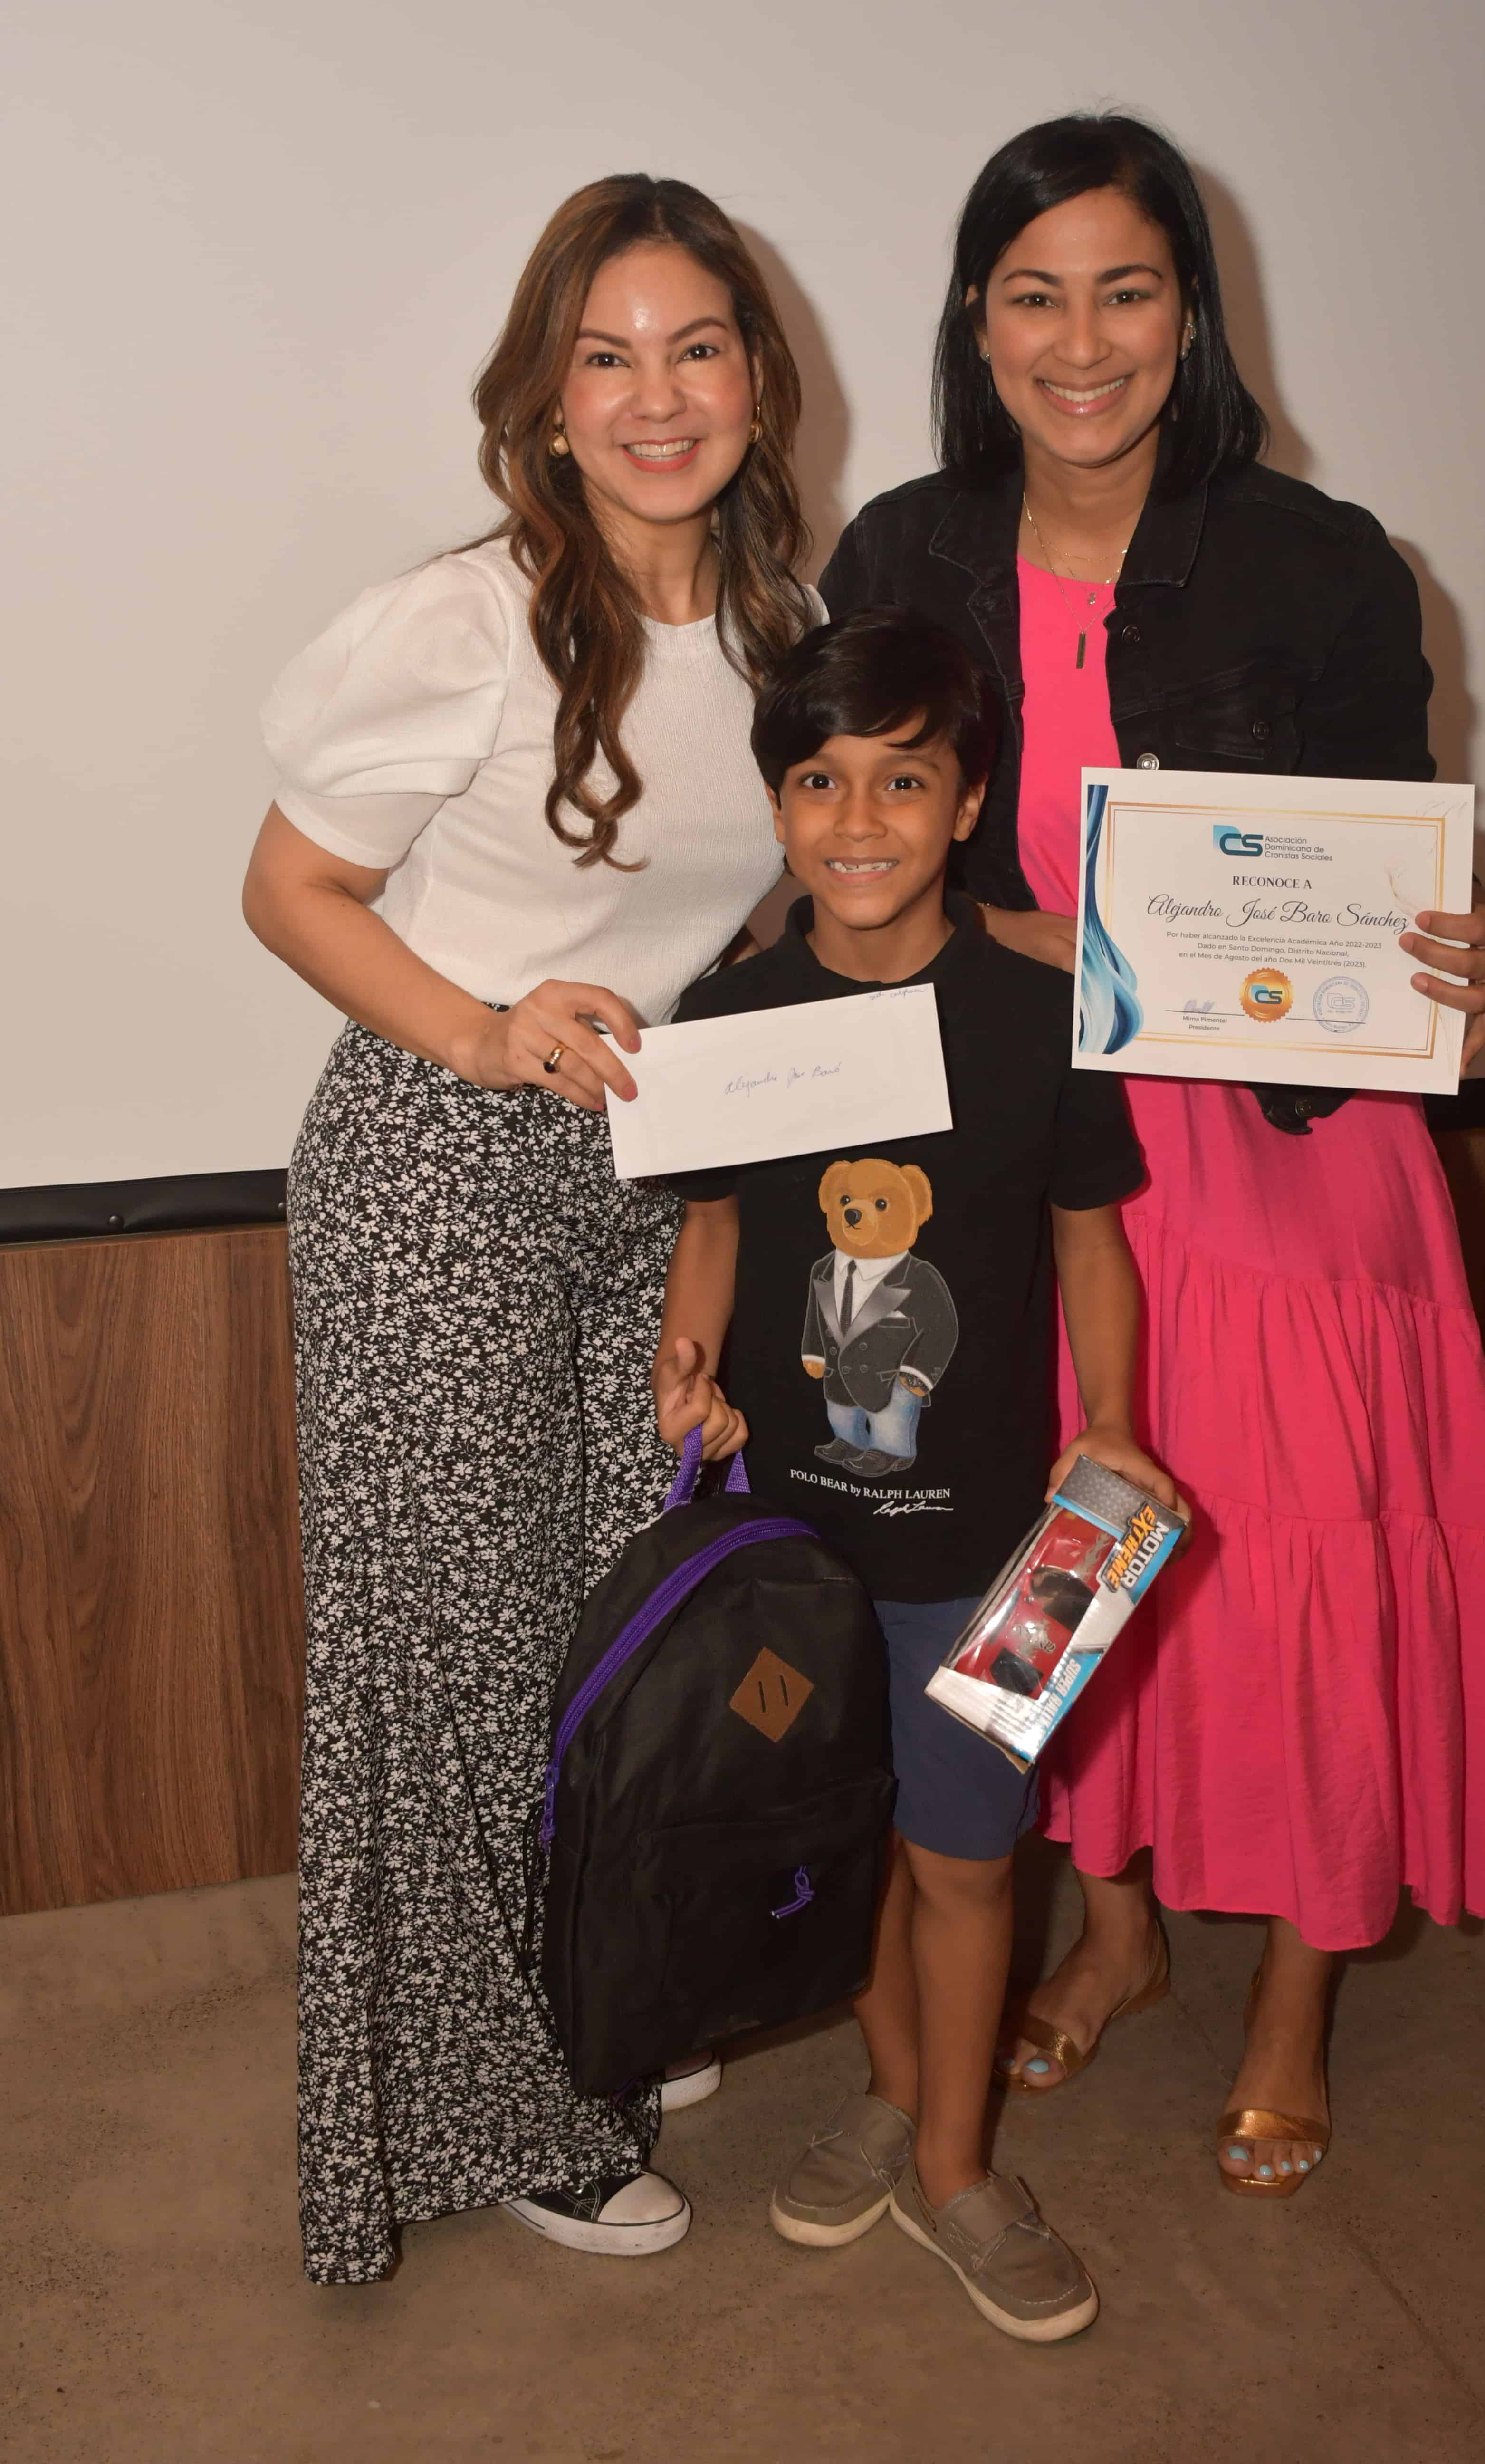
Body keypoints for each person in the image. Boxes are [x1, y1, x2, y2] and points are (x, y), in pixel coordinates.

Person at [820, 112, 1485, 2196]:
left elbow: (1401, 884)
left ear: (1188, 314)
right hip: (1036, 1165)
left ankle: (1298, 1993)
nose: (1081, 338)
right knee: (1068, 1582)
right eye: (1033, 291)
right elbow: (852, 849)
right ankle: (1124, 1932)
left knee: (1300, 1571)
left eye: (1125, 289)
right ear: (978, 315)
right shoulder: (901, 551)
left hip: (1291, 1169)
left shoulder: (1320, 556)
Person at [242, 173, 818, 2282]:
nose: (655, 395)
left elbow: (745, 950)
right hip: (438, 1167)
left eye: (693, 346)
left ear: (757, 374)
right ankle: (508, 2122)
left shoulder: (783, 626)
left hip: (648, 1179)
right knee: (458, 1667)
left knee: (605, 1641)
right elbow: (286, 891)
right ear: (548, 400)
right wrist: (487, 1031)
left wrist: (696, 1242)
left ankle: (570, 2008)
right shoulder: (469, 616)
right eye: (607, 354)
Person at [653, 606, 1176, 2340]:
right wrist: (687, 1354)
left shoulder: (1043, 1009)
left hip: (993, 1541)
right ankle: (888, 2092)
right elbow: (718, 1223)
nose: (857, 819)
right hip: (791, 1547)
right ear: (778, 804)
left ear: (966, 805)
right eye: (819, 780)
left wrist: (1109, 1417)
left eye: (903, 779)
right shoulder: (727, 1011)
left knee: (965, 1854)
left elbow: (1093, 1237)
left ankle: (957, 2160)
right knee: (853, 1838)